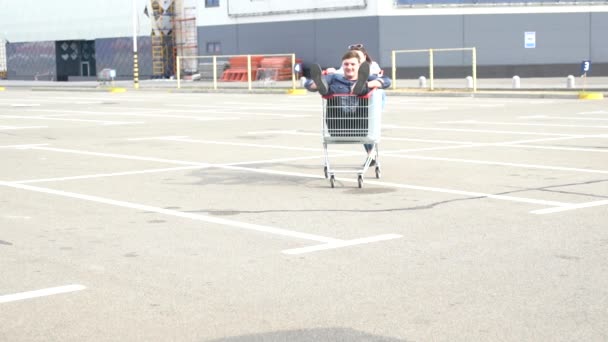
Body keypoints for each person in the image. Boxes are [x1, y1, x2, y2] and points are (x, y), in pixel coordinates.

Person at [305, 50, 391, 166]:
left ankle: (359, 87)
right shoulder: (335, 77)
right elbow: (307, 83)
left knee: (364, 91)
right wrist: (315, 84)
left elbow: (387, 81)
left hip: (361, 125)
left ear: (359, 66)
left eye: (352, 64)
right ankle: (323, 87)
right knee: (330, 88)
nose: (349, 67)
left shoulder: (369, 78)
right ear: (342, 65)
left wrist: (368, 84)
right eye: (346, 64)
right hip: (338, 125)